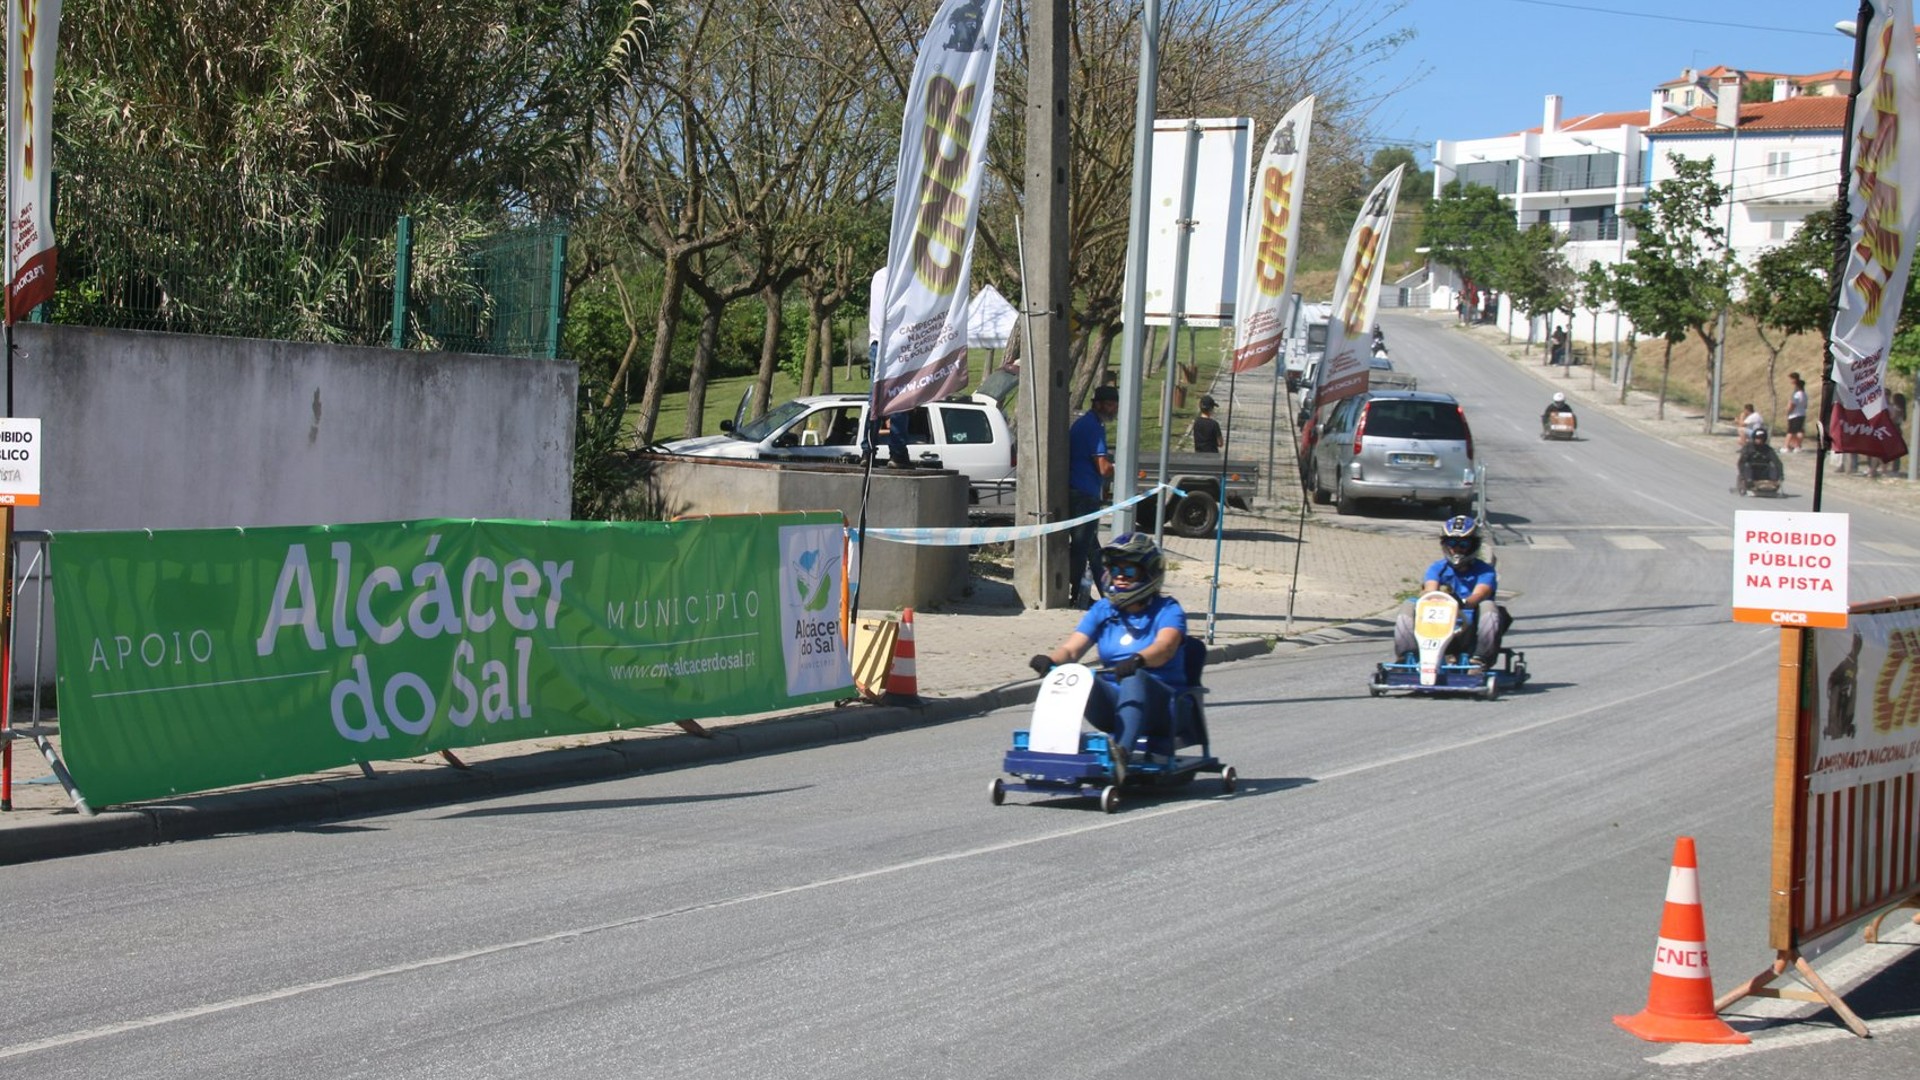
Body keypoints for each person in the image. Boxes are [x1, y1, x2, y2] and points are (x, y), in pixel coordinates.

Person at [1029, 533, 1187, 782]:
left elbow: (1165, 647)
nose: (1120, 577)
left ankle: (1121, 755)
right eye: (1115, 570)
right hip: (1113, 706)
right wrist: (1051, 662)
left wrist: (1138, 660)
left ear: (1148, 573)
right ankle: (1051, 748)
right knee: (1079, 676)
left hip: (1164, 707)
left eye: (1129, 571)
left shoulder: (1168, 610)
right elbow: (1072, 650)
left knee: (1136, 678)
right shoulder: (1104, 610)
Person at [1391, 516, 1512, 673]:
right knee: (1409, 604)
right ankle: (1406, 657)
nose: (1457, 549)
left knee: (1488, 606)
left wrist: (1462, 602)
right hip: (1437, 621)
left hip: (1469, 624)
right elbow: (1430, 589)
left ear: (1473, 545)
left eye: (1463, 544)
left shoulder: (1485, 571)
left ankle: (1479, 659)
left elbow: (1480, 594)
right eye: (1452, 543)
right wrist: (1433, 596)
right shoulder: (1437, 568)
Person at [1068, 385, 1120, 607]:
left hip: (1080, 491)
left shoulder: (1086, 424)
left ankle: (1107, 595)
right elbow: (1103, 467)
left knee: (1092, 548)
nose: (1113, 410)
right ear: (1097, 404)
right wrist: (1119, 468)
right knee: (1082, 546)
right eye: (1109, 405)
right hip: (1084, 494)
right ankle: (1077, 596)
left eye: (1115, 406)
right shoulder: (1093, 428)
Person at [1785, 372, 1808, 453]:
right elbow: (1805, 405)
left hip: (1795, 414)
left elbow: (1792, 404)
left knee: (1791, 431)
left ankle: (1786, 447)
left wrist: (1788, 411)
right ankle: (1797, 446)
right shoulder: (1804, 394)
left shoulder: (1797, 394)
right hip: (1802, 413)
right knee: (1799, 431)